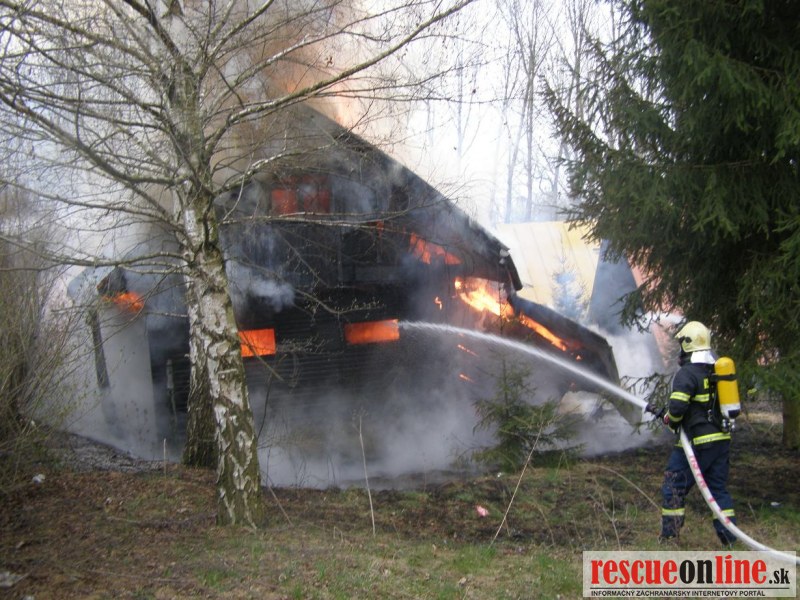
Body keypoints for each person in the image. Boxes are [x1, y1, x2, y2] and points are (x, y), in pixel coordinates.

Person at [649, 321, 737, 546]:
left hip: (697, 443)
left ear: (688, 345)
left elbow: (678, 407)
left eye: (681, 344)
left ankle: (670, 535)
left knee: (674, 485)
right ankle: (729, 538)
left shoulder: (687, 373)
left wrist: (670, 420)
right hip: (721, 440)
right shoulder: (716, 370)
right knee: (717, 490)